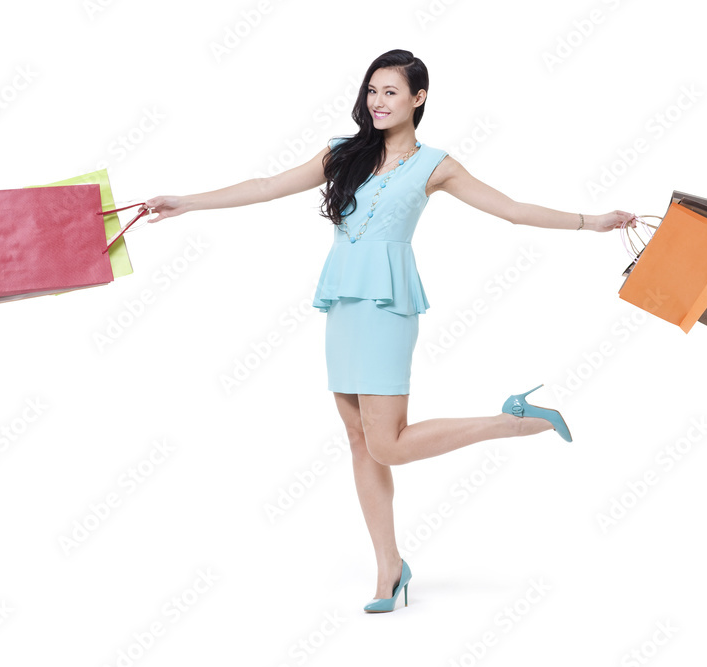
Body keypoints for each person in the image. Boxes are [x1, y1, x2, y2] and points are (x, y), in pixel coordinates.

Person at [145, 49, 635, 614]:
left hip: (387, 305)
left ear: (418, 99)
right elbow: (264, 186)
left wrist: (592, 221)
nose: (377, 102)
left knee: (387, 442)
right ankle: (389, 569)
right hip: (343, 304)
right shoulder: (342, 153)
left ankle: (514, 420)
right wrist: (186, 202)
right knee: (360, 441)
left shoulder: (436, 165)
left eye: (391, 93)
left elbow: (514, 210)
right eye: (372, 91)